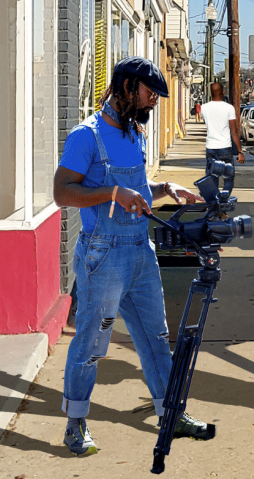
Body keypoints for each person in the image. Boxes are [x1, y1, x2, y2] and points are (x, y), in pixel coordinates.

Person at [53, 57, 213, 457]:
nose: (153, 102)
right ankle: (75, 424)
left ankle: (171, 413)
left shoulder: (133, 134)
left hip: (140, 251)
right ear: (127, 87)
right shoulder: (86, 137)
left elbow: (137, 194)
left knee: (156, 336)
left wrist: (165, 188)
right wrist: (111, 193)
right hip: (103, 255)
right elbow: (62, 192)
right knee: (92, 341)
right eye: (149, 94)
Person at [201, 81, 244, 179]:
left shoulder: (204, 108)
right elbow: (234, 131)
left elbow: (206, 122)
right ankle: (226, 189)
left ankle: (213, 189)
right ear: (223, 92)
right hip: (225, 147)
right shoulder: (229, 108)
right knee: (228, 177)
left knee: (211, 176)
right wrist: (240, 151)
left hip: (211, 146)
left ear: (211, 94)